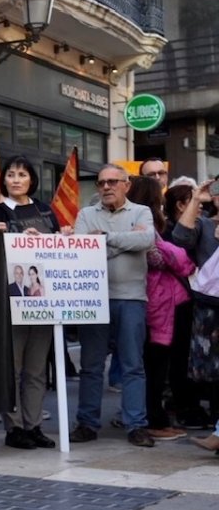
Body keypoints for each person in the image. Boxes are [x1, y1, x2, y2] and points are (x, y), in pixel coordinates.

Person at [71, 164, 156, 448]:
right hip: (93, 299)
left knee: (133, 366)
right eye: (101, 183)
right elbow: (81, 251)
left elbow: (147, 239)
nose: (106, 187)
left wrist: (105, 239)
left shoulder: (141, 212)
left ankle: (136, 425)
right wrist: (127, 241)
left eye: (112, 182)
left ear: (126, 185)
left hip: (132, 298)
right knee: (91, 366)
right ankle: (87, 423)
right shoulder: (86, 214)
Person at [0, 155, 64, 451]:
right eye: (11, 174)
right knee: (13, 367)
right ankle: (14, 427)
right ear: (3, 179)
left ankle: (34, 425)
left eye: (22, 174)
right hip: (11, 301)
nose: (16, 180)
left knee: (36, 370)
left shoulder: (45, 209)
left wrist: (63, 237)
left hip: (42, 301)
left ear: (32, 179)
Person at [127, 175, 193, 442]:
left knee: (153, 362)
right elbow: (169, 258)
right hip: (156, 301)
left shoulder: (141, 224)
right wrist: (177, 256)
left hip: (155, 299)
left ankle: (153, 416)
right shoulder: (145, 227)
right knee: (155, 363)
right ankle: (153, 419)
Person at [169, 181, 219, 439]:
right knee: (213, 372)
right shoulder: (205, 225)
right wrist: (197, 198)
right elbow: (180, 237)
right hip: (209, 307)